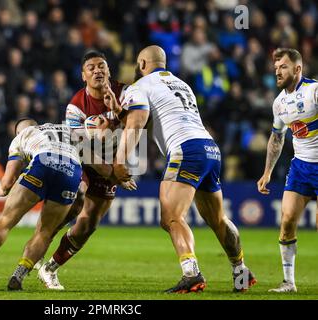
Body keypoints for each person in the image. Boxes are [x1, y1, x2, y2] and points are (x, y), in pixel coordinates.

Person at [106, 45, 256, 293]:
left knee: (171, 217)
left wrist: (119, 160)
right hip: (209, 148)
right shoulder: (181, 84)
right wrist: (120, 111)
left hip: (185, 150)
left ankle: (192, 274)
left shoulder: (140, 86)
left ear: (142, 64)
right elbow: (151, 118)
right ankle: (240, 271)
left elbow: (138, 123)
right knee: (217, 219)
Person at [36, 51, 128, 290]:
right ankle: (38, 246)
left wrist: (119, 112)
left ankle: (50, 268)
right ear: (83, 75)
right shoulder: (76, 106)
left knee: (88, 224)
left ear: (109, 71)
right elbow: (81, 148)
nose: (97, 70)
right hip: (83, 160)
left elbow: (137, 127)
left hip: (112, 161)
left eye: (101, 66)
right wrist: (112, 172)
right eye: (91, 67)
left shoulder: (126, 93)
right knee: (77, 198)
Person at [0, 119, 83, 291]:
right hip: (71, 171)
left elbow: (9, 177)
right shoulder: (67, 131)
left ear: (19, 131)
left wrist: (4, 188)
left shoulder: (22, 136)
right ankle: (19, 274)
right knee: (45, 232)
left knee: (6, 220)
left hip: (42, 164)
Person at [257, 48, 318, 293]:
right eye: (275, 68)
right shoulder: (279, 103)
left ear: (297, 69)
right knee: (287, 220)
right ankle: (289, 282)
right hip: (301, 167)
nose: (277, 71)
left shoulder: (314, 91)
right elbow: (276, 139)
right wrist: (267, 172)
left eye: (282, 67)